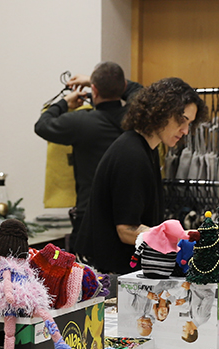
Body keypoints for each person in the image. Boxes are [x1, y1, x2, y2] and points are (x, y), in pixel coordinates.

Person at [76, 77, 206, 274]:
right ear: (162, 111)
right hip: (105, 274)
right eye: (182, 120)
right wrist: (175, 236)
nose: (186, 130)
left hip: (115, 267)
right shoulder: (132, 155)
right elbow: (126, 230)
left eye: (190, 124)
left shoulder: (146, 149)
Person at [34, 62, 143, 251]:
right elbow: (140, 92)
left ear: (94, 89)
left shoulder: (80, 122)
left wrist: (64, 103)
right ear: (123, 87)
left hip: (90, 215)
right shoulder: (136, 117)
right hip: (130, 215)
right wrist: (92, 80)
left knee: (87, 276)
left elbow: (42, 125)